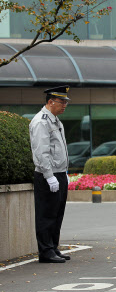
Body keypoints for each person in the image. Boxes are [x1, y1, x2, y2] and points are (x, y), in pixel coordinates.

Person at [29, 86, 71, 264]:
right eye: (62, 102)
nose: (64, 105)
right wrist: (49, 175)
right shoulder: (41, 122)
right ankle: (45, 251)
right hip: (48, 176)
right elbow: (41, 152)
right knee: (46, 214)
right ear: (50, 101)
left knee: (56, 213)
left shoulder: (55, 120)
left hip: (59, 173)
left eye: (66, 102)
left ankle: (53, 247)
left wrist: (63, 173)